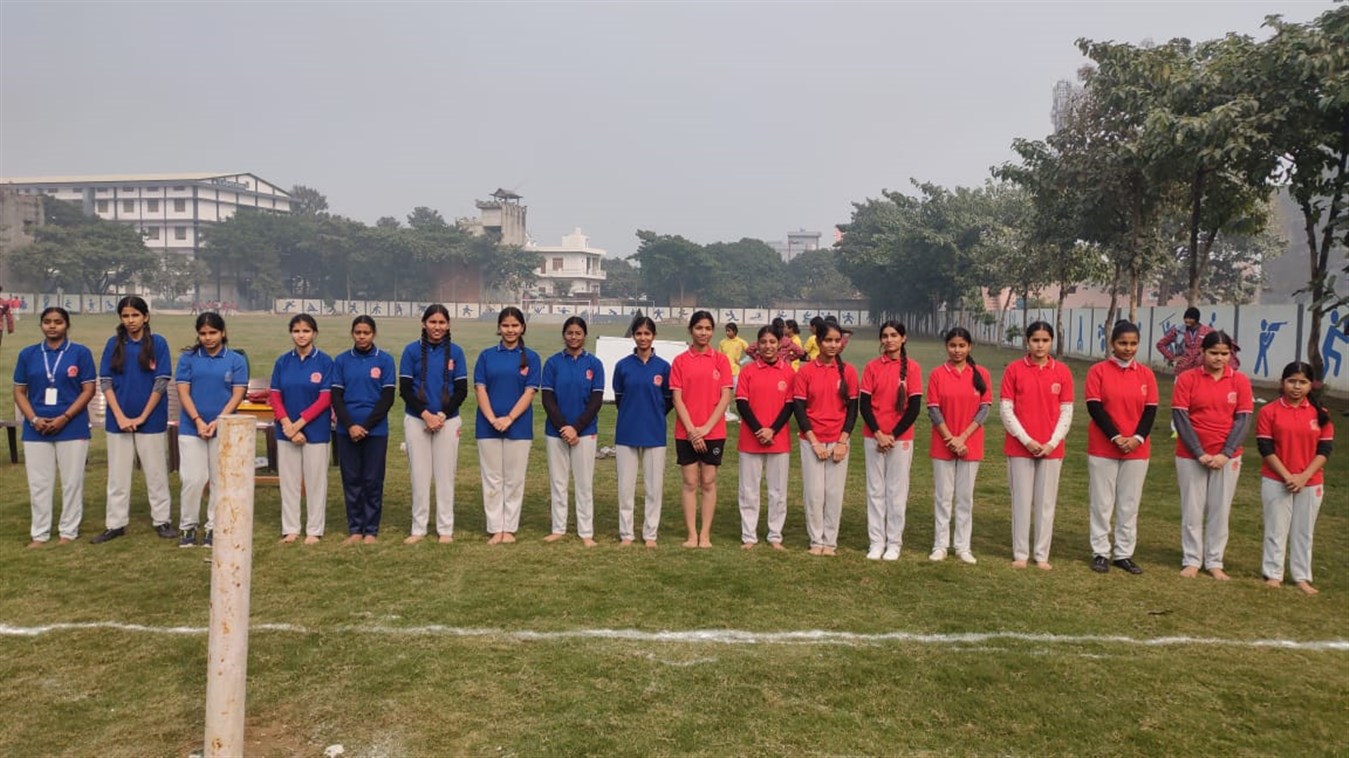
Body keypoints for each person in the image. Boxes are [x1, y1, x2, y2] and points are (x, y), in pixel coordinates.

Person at [1172, 330, 1252, 580]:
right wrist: (1199, 453)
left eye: (1224, 354)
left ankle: (1215, 561)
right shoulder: (1187, 378)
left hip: (1227, 456)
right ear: (1202, 352)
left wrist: (1226, 453)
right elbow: (1181, 417)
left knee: (1220, 509)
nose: (1219, 358)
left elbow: (1243, 420)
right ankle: (1192, 559)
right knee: (1192, 509)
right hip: (1191, 455)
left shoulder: (1240, 381)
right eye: (1214, 353)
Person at [93, 296, 174, 544]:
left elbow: (161, 382)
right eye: (126, 316)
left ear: (145, 317)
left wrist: (142, 416)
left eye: (135, 315)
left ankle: (162, 520)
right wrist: (120, 416)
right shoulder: (113, 344)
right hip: (118, 421)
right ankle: (115, 523)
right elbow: (105, 381)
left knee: (156, 473)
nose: (130, 320)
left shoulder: (158, 343)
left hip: (150, 420)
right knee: (118, 476)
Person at [14, 307, 96, 547]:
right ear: (41, 325)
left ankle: (68, 531)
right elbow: (19, 391)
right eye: (47, 322)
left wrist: (65, 417)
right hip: (36, 429)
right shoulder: (28, 354)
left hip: (72, 426)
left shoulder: (80, 353)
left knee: (72, 482)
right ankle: (39, 533)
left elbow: (88, 390)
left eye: (58, 322)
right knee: (39, 483)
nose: (52, 326)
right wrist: (33, 419)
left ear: (67, 325)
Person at [1085, 320, 1158, 575]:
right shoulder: (1098, 371)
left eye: (1133, 343)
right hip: (1103, 447)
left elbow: (1150, 411)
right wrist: (1115, 437)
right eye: (1122, 343)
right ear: (1112, 343)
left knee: (1129, 503)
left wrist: (1136, 438)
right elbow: (1095, 407)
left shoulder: (1146, 374)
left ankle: (1124, 554)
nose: (1128, 348)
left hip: (1137, 450)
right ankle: (1100, 552)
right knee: (1102, 502)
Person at [1000, 320, 1074, 570]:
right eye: (1035, 340)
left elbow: (1066, 411)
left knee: (1046, 503)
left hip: (1051, 449)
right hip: (1020, 447)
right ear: (1027, 341)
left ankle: (1042, 555)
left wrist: (1052, 443)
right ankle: (1021, 553)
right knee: (1021, 501)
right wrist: (1027, 440)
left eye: (1045, 340)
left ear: (1051, 342)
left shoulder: (1062, 371)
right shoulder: (1014, 369)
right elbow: (1006, 410)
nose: (1040, 345)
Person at [1257, 362, 1333, 595]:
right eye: (1292, 381)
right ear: (1283, 382)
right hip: (1276, 478)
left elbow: (1324, 450)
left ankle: (1301, 577)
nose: (1297, 387)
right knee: (1276, 528)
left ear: (1311, 385)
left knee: (1304, 531)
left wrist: (1304, 477)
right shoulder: (1269, 411)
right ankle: (1273, 574)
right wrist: (1287, 476)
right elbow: (1265, 447)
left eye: (1303, 382)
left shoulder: (1321, 414)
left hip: (1311, 481)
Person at [175, 312, 248, 548]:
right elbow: (183, 391)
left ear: (223, 332)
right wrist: (197, 420)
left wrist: (219, 420)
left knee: (219, 479)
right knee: (193, 479)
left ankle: (213, 527)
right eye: (203, 333)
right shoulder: (188, 359)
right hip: (191, 427)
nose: (208, 338)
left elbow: (237, 394)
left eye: (213, 333)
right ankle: (188, 526)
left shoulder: (235, 359)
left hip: (224, 427)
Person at [399, 304, 468, 545]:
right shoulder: (411, 351)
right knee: (419, 476)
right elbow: (405, 389)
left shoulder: (456, 352)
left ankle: (445, 528)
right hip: (417, 419)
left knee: (445, 476)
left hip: (447, 421)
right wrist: (425, 415)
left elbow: (461, 390)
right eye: (432, 322)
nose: (437, 327)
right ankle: (418, 528)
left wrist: (441, 415)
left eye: (441, 322)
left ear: (448, 325)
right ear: (424, 323)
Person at [475, 306, 541, 544]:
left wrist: (509, 418)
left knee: (514, 479)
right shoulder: (486, 356)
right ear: (499, 328)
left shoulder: (531, 357)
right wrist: (493, 419)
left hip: (519, 427)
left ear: (522, 327)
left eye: (514, 325)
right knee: (492, 479)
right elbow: (480, 388)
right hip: (488, 427)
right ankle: (495, 528)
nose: (510, 330)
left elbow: (530, 392)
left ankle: (509, 528)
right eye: (505, 325)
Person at [794, 318, 859, 556]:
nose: (833, 345)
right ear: (818, 342)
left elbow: (853, 409)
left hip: (838, 440)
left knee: (834, 494)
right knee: (814, 493)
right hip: (811, 440)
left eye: (837, 341)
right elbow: (799, 409)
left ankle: (830, 542)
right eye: (828, 340)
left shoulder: (848, 371)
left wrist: (842, 441)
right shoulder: (806, 371)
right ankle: (816, 540)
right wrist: (814, 442)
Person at [927, 327, 992, 563]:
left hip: (970, 444)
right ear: (947, 347)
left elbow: (984, 409)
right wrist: (950, 439)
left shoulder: (981, 373)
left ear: (969, 347)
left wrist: (962, 438)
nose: (957, 350)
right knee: (943, 497)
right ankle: (940, 545)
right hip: (943, 444)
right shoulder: (937, 374)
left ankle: (963, 546)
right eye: (953, 345)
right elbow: (933, 409)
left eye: (962, 346)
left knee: (965, 497)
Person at [670, 310, 734, 548]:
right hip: (685, 431)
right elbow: (677, 398)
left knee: (708, 481)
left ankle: (705, 534)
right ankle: (691, 535)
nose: (703, 333)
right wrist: (692, 430)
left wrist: (706, 428)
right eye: (699, 328)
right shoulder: (680, 361)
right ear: (691, 330)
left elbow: (725, 397)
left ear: (712, 331)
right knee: (689, 482)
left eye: (707, 328)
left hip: (713, 432)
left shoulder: (721, 360)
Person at [859, 320, 922, 561]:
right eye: (885, 336)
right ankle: (876, 542)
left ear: (903, 338)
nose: (889, 340)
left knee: (896, 492)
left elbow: (914, 408)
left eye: (894, 335)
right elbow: (864, 405)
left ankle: (894, 543)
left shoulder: (913, 368)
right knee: (875, 490)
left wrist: (892, 435)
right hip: (873, 437)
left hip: (900, 439)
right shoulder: (872, 367)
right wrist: (878, 433)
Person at [269, 314, 334, 545]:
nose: (301, 335)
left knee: (316, 482)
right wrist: (287, 425)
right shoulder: (282, 362)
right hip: (286, 431)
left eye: (306, 331)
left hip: (316, 431)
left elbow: (325, 399)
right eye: (296, 331)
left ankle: (314, 529)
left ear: (314, 333)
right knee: (289, 481)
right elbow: (275, 396)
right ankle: (291, 528)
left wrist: (299, 424)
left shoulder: (325, 362)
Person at [331, 316, 396, 545]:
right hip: (346, 430)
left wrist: (365, 426)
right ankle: (355, 528)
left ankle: (371, 530)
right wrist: (350, 425)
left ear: (373, 334)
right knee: (351, 479)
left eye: (366, 333)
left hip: (375, 432)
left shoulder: (385, 360)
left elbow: (387, 398)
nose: (361, 337)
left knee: (372, 480)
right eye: (358, 332)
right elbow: (336, 397)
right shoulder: (341, 360)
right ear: (352, 334)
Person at [541, 316, 605, 546]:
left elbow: (596, 401)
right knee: (558, 482)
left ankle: (586, 532)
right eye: (570, 333)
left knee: (584, 483)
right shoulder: (552, 363)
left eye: (578, 333)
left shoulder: (594, 364)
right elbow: (547, 399)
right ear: (564, 335)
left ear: (584, 335)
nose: (574, 337)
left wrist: (576, 428)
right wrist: (563, 427)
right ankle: (558, 528)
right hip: (556, 431)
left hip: (585, 432)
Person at [612, 315, 672, 547]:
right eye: (639, 333)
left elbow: (668, 401)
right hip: (627, 431)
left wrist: (652, 414)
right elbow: (619, 398)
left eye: (647, 333)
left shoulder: (663, 367)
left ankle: (650, 534)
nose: (643, 338)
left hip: (654, 433)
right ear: (633, 336)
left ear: (654, 336)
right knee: (625, 487)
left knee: (653, 487)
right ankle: (626, 533)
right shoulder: (623, 366)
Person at [735, 323, 796, 550]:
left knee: (777, 491)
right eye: (763, 342)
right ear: (757, 345)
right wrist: (759, 430)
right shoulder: (748, 371)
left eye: (772, 342)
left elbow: (790, 406)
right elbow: (742, 403)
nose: (768, 346)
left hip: (778, 441)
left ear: (779, 344)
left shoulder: (788, 372)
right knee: (749, 490)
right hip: (750, 440)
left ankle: (775, 535)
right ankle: (749, 536)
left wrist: (772, 430)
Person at [1156, 306, 1213, 374]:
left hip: (1201, 370)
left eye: (1190, 318)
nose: (1187, 320)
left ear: (1197, 319)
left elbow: (1216, 346)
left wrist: (1204, 357)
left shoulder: (1207, 331)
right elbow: (1160, 344)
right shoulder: (1178, 331)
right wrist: (1172, 358)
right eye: (1185, 318)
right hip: (1182, 370)